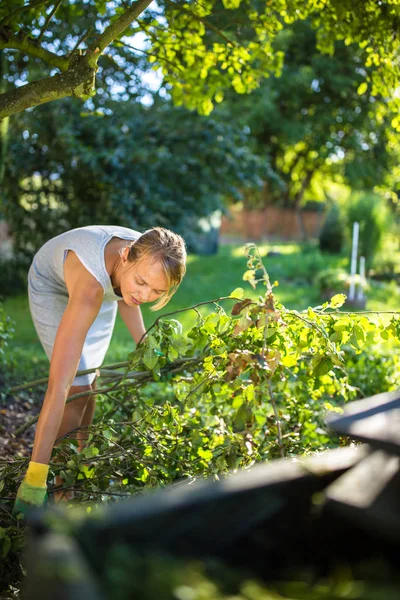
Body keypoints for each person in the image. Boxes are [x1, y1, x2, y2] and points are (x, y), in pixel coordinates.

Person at [13, 225, 187, 515]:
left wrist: (145, 347)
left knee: (90, 380)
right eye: (143, 282)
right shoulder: (92, 287)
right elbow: (59, 389)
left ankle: (80, 463)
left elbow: (127, 294)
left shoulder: (143, 257)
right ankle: (58, 486)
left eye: (157, 291)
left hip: (107, 285)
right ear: (126, 255)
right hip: (52, 286)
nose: (146, 295)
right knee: (76, 389)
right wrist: (34, 477)